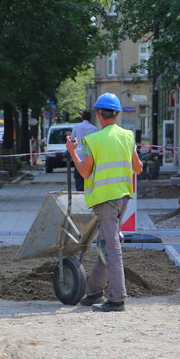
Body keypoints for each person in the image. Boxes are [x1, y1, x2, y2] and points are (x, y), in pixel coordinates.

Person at [66, 93, 143, 312]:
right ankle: (94, 292)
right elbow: (138, 168)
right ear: (117, 114)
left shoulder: (94, 140)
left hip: (105, 201)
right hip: (122, 198)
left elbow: (85, 172)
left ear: (99, 115)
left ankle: (117, 298)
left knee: (111, 246)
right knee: (105, 242)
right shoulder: (128, 136)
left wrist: (73, 152)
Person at [69, 109, 97, 191]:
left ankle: (79, 193)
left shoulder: (76, 127)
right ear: (90, 118)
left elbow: (72, 139)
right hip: (90, 157)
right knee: (90, 178)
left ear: (82, 117)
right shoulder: (94, 128)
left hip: (78, 156)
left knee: (79, 178)